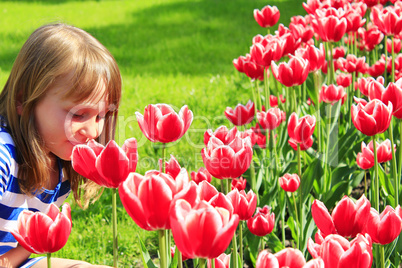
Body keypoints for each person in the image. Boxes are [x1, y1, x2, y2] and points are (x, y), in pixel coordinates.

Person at [0, 23, 121, 267]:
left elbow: (27, 244)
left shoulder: (63, 167)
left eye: (100, 117)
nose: (94, 131)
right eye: (78, 115)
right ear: (24, 100)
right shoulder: (4, 157)